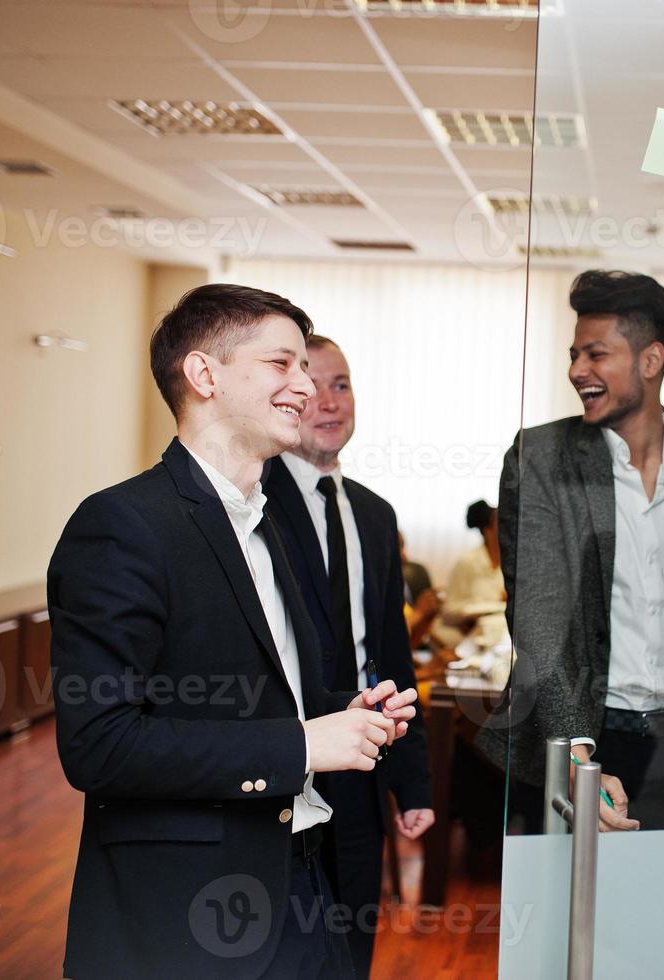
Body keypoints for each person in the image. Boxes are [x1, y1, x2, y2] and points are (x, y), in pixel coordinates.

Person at [48, 284, 417, 980]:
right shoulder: (122, 526)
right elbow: (99, 746)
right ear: (204, 374)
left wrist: (346, 717)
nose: (306, 387)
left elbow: (256, 696)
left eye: (306, 369)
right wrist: (304, 742)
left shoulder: (264, 525)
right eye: (282, 364)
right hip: (188, 912)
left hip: (303, 887)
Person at [476, 269, 664, 832]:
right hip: (580, 734)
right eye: (573, 355)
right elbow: (539, 612)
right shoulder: (540, 457)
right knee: (572, 918)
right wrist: (574, 755)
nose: (576, 371)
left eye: (596, 354)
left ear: (650, 360)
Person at [262, 334, 433, 978]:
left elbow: (392, 652)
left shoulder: (374, 515)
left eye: (343, 384)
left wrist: (410, 780)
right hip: (285, 763)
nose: (329, 403)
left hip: (362, 769)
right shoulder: (253, 506)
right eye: (313, 386)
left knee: (353, 943)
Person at [433, 501, 506, 650]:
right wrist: (474, 611)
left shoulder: (510, 565)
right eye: (502, 523)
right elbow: (448, 610)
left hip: (496, 635)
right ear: (489, 529)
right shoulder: (467, 563)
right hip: (464, 635)